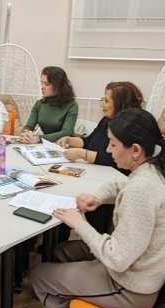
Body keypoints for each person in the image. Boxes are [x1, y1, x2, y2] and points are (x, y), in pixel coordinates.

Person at [30, 108, 165, 308]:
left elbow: (117, 258)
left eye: (113, 144)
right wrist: (98, 198)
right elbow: (120, 185)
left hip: (132, 287)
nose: (108, 150)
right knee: (61, 252)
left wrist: (80, 224)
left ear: (135, 150)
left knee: (39, 275)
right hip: (145, 269)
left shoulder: (142, 190)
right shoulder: (155, 169)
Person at [56, 81, 145, 233]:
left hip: (111, 180)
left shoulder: (131, 127)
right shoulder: (106, 120)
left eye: (107, 100)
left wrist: (83, 154)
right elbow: (88, 142)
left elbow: (114, 161)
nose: (102, 104)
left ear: (121, 103)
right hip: (94, 173)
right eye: (102, 99)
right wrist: (71, 140)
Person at [19, 66, 78, 143]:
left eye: (47, 84)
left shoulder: (71, 105)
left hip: (64, 145)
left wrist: (38, 139)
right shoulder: (39, 104)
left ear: (58, 86)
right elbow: (29, 126)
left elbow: (67, 132)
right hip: (45, 144)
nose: (42, 87)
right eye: (42, 83)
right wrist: (26, 134)